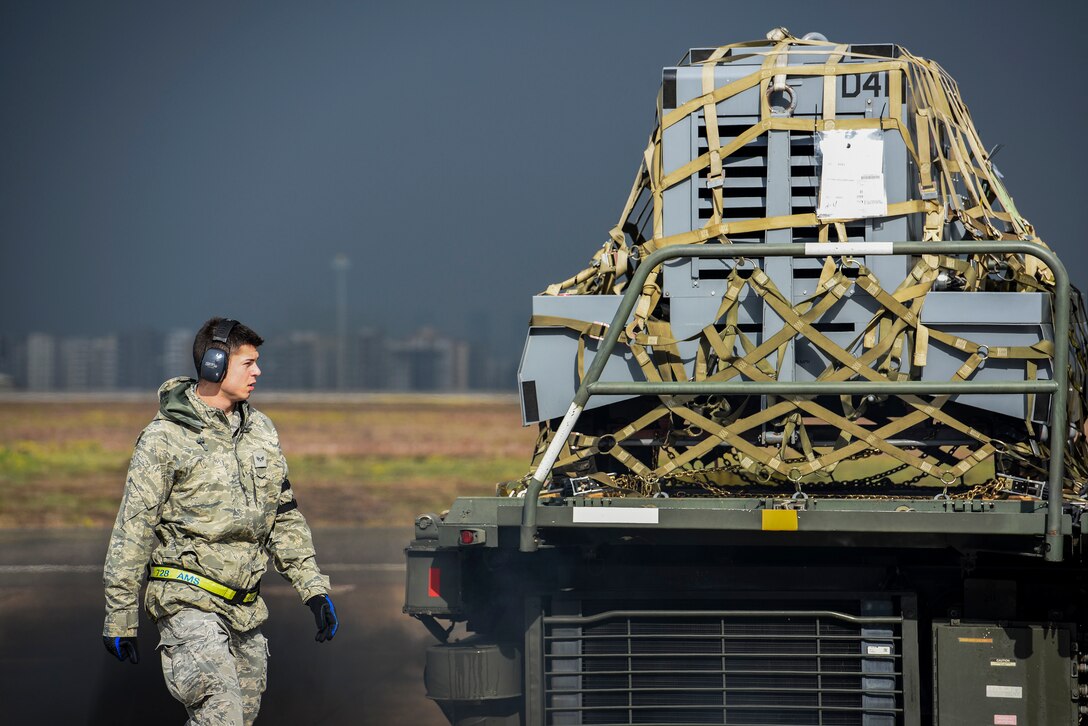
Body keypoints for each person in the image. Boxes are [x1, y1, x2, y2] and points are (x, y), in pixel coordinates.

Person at [102, 317, 338, 725]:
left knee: (241, 718)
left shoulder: (261, 430)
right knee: (221, 716)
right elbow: (133, 531)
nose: (258, 372)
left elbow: (283, 517)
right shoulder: (164, 439)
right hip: (187, 603)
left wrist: (313, 590)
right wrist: (119, 616)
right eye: (248, 363)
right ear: (214, 365)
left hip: (245, 607)